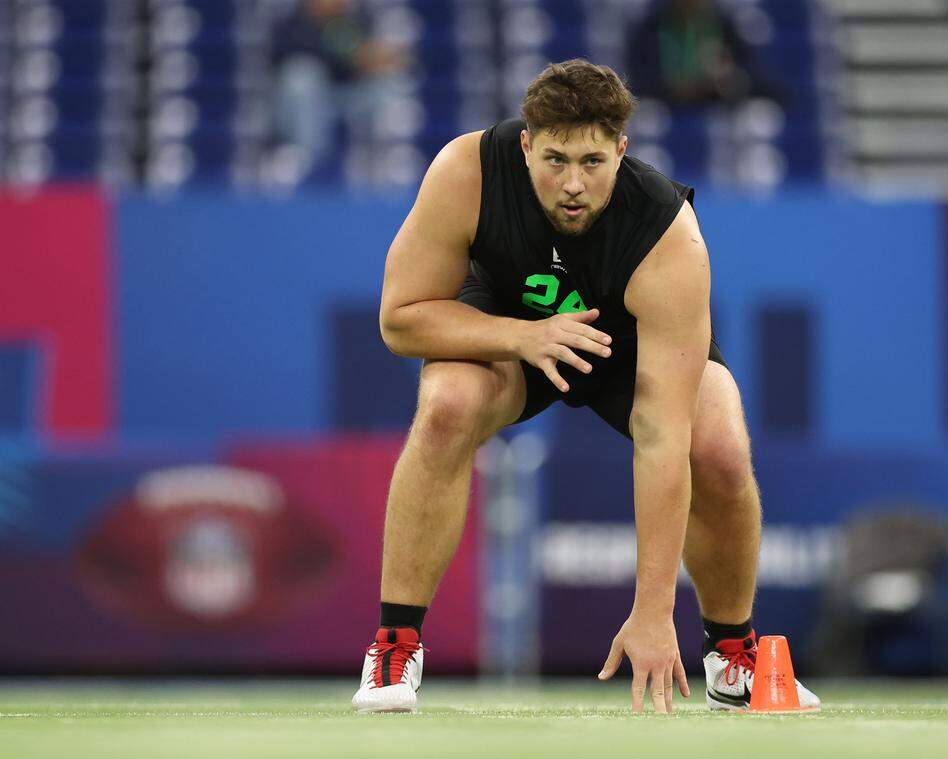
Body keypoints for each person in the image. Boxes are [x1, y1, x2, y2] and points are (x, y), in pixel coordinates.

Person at [351, 59, 820, 715]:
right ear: (525, 145)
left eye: (593, 162)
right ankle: (394, 644)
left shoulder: (666, 233)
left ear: (621, 149)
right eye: (555, 160)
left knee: (717, 443)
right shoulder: (467, 172)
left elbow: (661, 435)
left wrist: (654, 610)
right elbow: (400, 320)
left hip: (623, 348)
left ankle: (733, 656)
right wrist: (520, 336)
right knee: (446, 407)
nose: (573, 183)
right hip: (506, 329)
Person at [271, 0, 405, 168]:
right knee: (301, 77)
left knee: (387, 83)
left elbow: (371, 57)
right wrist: (349, 56)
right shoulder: (292, 23)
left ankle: (384, 161)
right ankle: (310, 162)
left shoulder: (356, 19)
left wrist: (374, 59)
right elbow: (286, 57)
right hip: (311, 102)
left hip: (348, 96)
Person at [627, 0, 780, 106]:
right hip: (665, 104)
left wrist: (729, 77)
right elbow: (637, 77)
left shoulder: (723, 25)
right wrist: (672, 86)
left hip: (715, 102)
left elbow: (752, 75)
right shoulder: (652, 28)